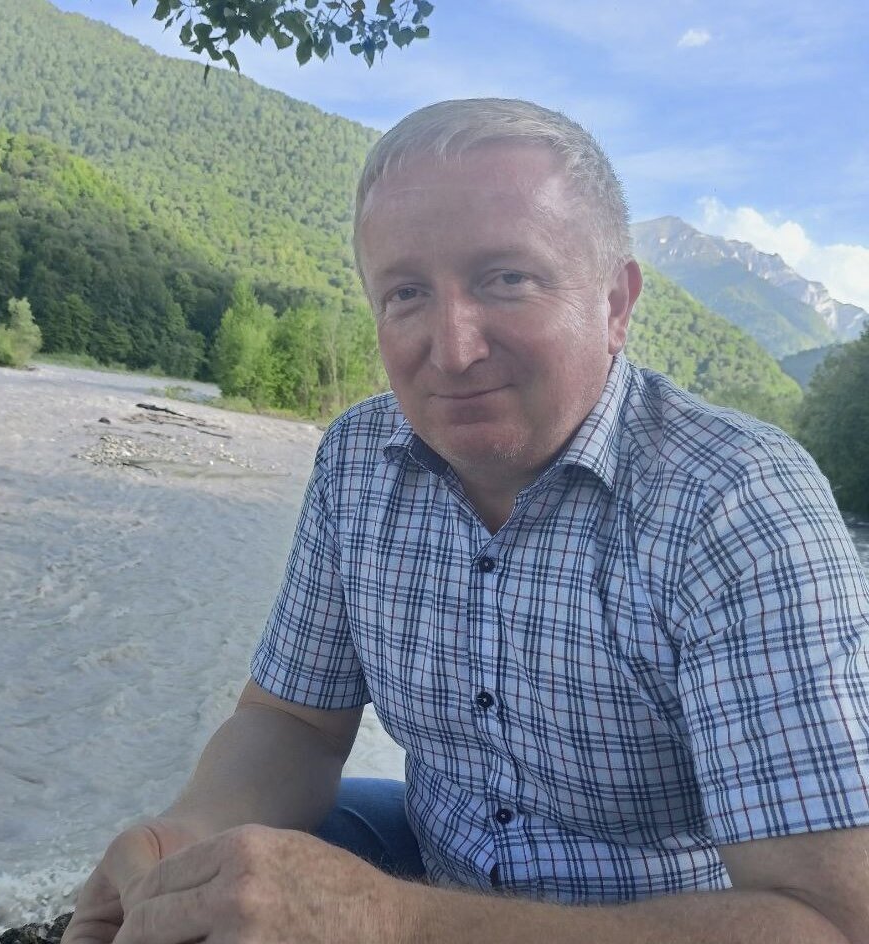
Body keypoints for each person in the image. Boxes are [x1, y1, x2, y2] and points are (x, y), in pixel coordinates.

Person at [63, 99, 869, 944]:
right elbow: (293, 722)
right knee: (217, 883)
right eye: (407, 293)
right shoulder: (358, 460)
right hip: (430, 856)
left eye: (506, 279)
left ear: (615, 304)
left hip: (656, 917)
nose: (452, 350)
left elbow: (833, 923)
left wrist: (389, 920)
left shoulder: (737, 502)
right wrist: (182, 841)